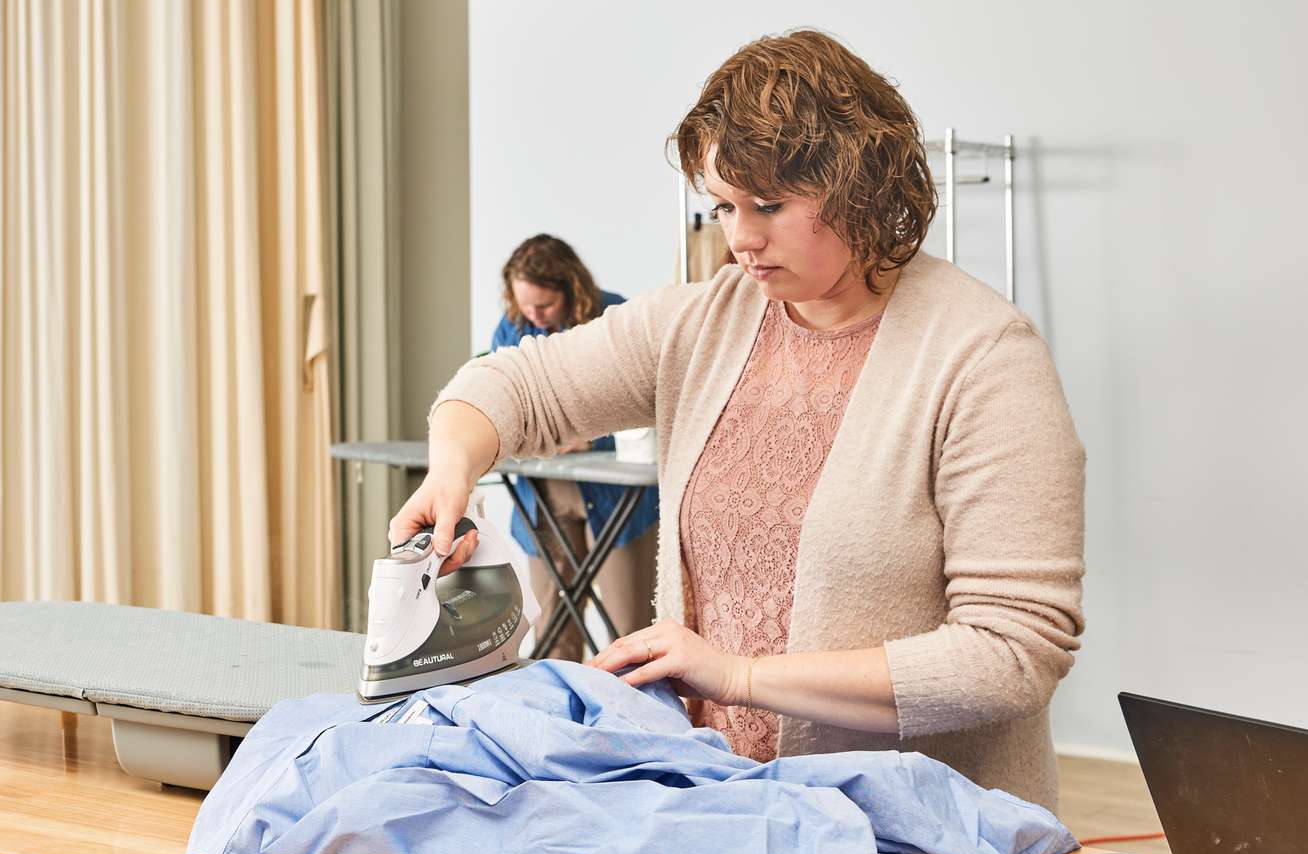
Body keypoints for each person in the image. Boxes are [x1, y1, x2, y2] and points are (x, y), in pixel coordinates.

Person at [392, 30, 1084, 812]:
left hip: (929, 839)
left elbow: (1010, 655)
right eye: (723, 205)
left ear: (861, 184)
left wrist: (743, 676)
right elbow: (511, 383)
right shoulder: (704, 322)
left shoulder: (984, 358)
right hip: (728, 809)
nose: (742, 240)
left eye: (770, 205)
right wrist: (451, 474)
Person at [488, 235, 661, 661]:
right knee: (554, 629)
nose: (534, 316)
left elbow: (647, 399)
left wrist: (591, 435)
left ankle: (637, 720)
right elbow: (502, 397)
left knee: (631, 629)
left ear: (571, 290)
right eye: (525, 305)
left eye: (544, 307)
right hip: (544, 495)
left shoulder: (614, 317)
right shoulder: (513, 327)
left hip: (618, 497)